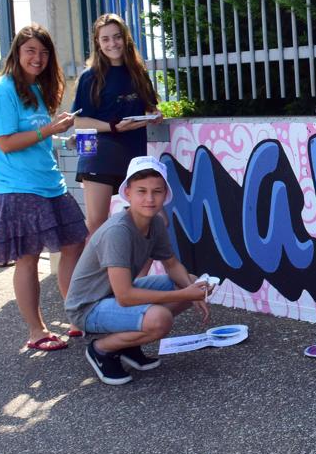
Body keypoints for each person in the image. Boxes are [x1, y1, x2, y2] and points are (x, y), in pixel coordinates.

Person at [0, 24, 88, 352]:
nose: (37, 58)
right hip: (17, 187)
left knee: (75, 244)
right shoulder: (2, 90)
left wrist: (61, 134)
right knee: (28, 258)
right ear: (16, 53)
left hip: (49, 183)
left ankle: (76, 317)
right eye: (30, 51)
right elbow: (7, 143)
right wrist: (49, 129)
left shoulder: (37, 90)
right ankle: (36, 331)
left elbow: (37, 135)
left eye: (43, 52)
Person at [65, 156, 212, 386]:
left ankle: (128, 344)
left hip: (111, 296)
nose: (150, 199)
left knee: (190, 280)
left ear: (165, 194)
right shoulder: (118, 231)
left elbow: (172, 264)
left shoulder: (154, 223)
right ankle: (101, 349)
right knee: (160, 320)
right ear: (128, 193)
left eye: (157, 191)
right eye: (141, 191)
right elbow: (125, 296)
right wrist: (186, 295)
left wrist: (193, 289)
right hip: (88, 307)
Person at [73, 14, 162, 236]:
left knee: (145, 225)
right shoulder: (89, 77)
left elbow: (150, 107)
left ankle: (136, 273)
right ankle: (95, 272)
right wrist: (85, 165)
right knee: (97, 226)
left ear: (126, 38)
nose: (112, 43)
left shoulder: (138, 72)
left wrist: (154, 114)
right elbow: (79, 122)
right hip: (98, 158)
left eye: (117, 37)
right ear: (98, 43)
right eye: (105, 39)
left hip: (134, 159)